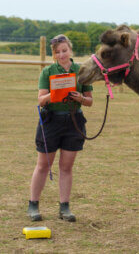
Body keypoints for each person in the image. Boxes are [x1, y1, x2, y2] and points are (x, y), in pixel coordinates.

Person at [27, 34, 93, 222]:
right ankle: (33, 205)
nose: (62, 55)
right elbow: (40, 100)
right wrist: (54, 94)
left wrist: (80, 98)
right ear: (53, 54)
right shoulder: (47, 72)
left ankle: (64, 208)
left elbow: (89, 101)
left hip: (74, 122)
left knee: (66, 166)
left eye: (64, 50)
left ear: (70, 50)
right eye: (57, 52)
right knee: (43, 165)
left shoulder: (82, 71)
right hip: (51, 121)